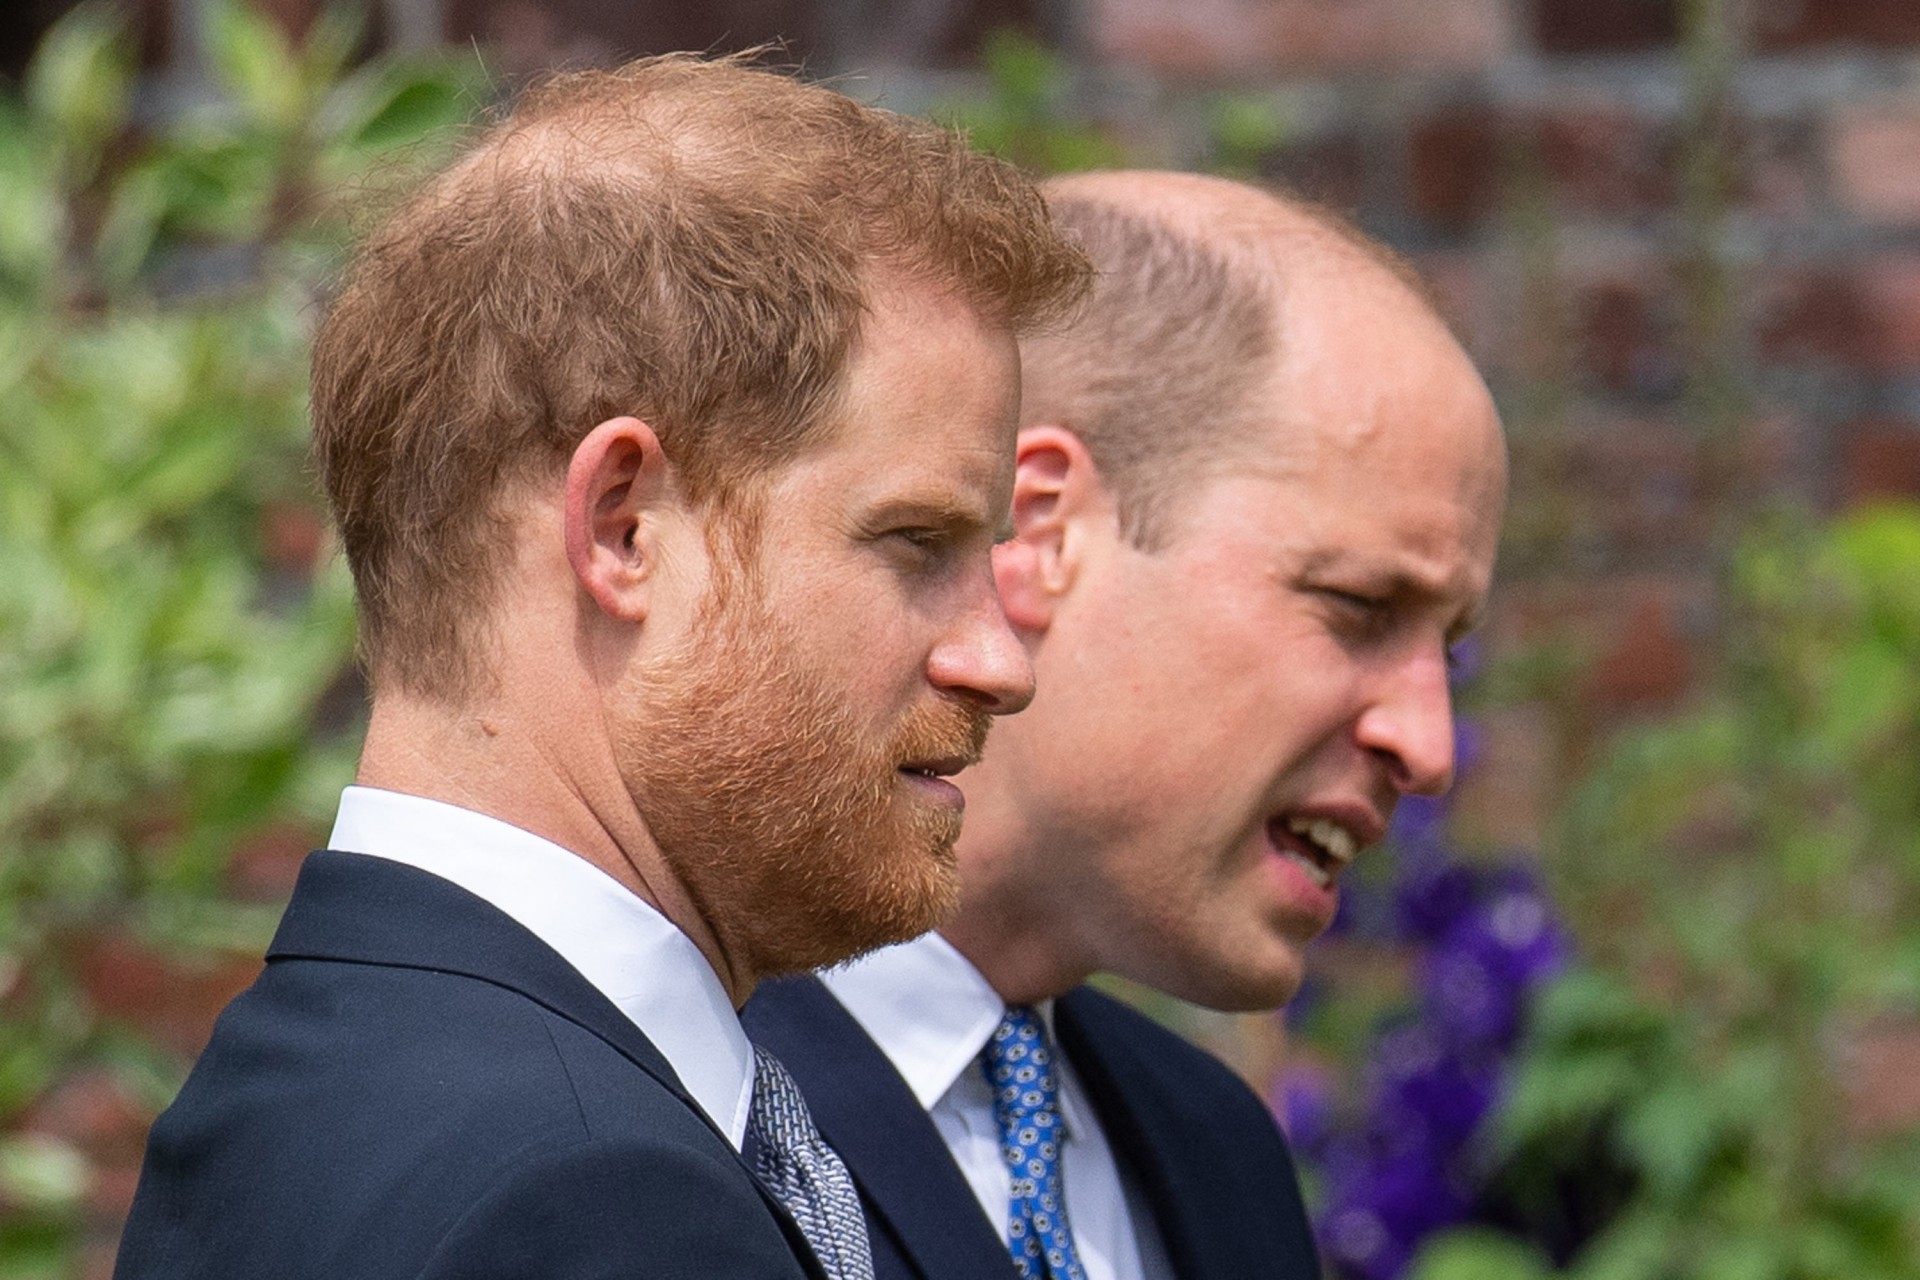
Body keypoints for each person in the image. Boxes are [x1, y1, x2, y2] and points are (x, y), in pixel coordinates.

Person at [113, 54, 1089, 1280]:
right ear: (623, 526)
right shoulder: (588, 1198)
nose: (1000, 659)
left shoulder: (305, 1084)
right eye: (916, 542)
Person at [744, 170, 1509, 1280]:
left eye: (1448, 649)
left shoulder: (1218, 1157)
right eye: (1357, 607)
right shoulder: (663, 1092)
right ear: (1037, 527)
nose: (1429, 747)